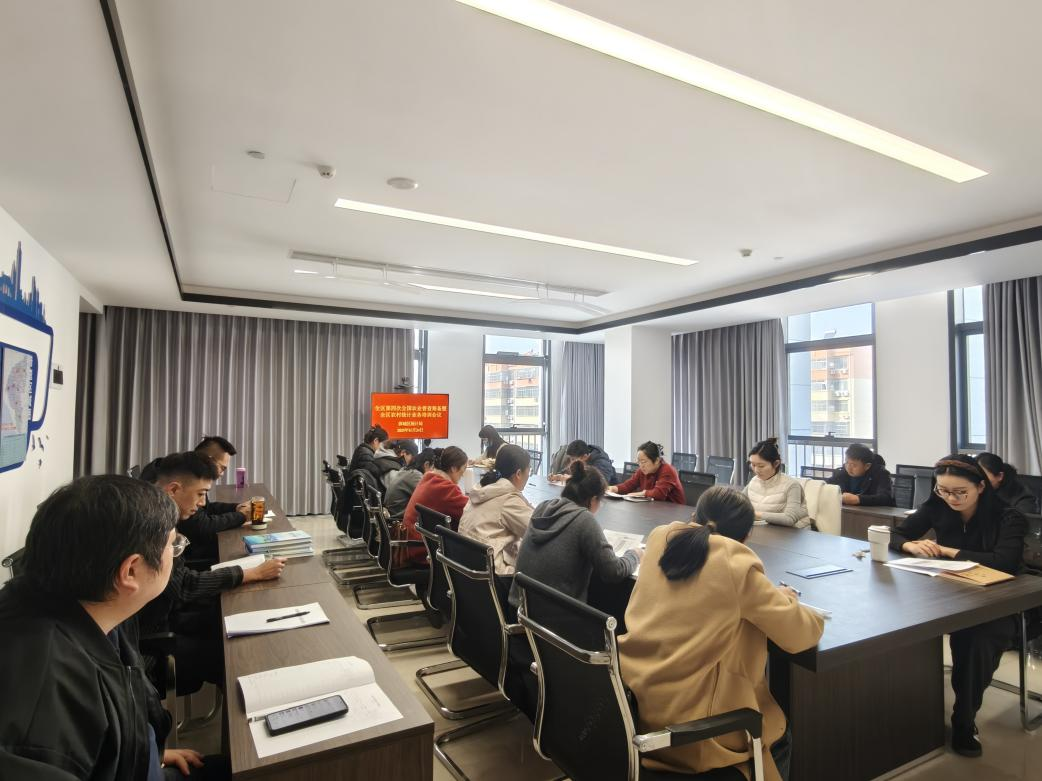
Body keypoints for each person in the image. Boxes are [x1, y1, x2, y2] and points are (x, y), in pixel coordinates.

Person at [0, 475, 230, 779]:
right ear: (130, 571)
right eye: (173, 546)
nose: (175, 554)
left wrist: (146, 752)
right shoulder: (39, 713)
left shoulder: (83, 609)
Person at [619, 487, 823, 781]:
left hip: (637, 706)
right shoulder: (735, 562)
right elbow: (800, 635)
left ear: (694, 516)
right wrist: (787, 599)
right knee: (780, 734)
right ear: (747, 535)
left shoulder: (660, 538)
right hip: (695, 731)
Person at [890, 455, 1028, 757]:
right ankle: (900, 708)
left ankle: (964, 719)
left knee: (976, 639)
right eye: (943, 490)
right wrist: (910, 544)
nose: (951, 498)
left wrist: (946, 550)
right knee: (898, 620)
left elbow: (1004, 562)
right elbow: (896, 533)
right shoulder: (937, 507)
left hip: (998, 601)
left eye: (959, 492)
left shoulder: (1008, 517)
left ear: (981, 487)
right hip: (948, 594)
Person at [143, 452, 285, 695]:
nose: (202, 504)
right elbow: (184, 586)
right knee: (241, 657)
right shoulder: (154, 525)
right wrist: (250, 574)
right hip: (156, 638)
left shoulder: (156, 511)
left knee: (234, 621)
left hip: (168, 616)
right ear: (173, 489)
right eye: (200, 494)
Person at [510, 461, 643, 606]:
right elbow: (614, 571)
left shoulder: (542, 508)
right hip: (553, 616)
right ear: (593, 499)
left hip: (518, 608)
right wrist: (634, 555)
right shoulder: (584, 520)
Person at [459, 445, 535, 576]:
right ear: (518, 474)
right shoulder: (509, 500)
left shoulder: (483, 489)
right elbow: (537, 532)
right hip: (495, 576)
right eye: (529, 469)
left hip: (467, 571)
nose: (529, 474)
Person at [401, 446, 470, 566]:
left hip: (412, 543)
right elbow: (471, 510)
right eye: (463, 469)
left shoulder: (429, 478)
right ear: (454, 468)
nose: (463, 475)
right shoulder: (445, 488)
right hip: (423, 550)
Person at [744, 438, 811, 528]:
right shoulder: (754, 481)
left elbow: (789, 519)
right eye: (753, 465)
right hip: (768, 529)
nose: (756, 470)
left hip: (795, 532)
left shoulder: (792, 485)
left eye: (761, 466)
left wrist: (754, 514)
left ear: (776, 464)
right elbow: (737, 503)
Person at [607, 441, 685, 504]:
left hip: (674, 511)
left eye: (643, 462)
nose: (641, 465)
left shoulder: (668, 470)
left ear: (657, 460)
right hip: (653, 509)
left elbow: (659, 494)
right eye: (639, 462)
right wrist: (614, 488)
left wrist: (642, 493)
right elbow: (629, 485)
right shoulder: (642, 470)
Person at [827, 443, 895, 506]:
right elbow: (826, 485)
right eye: (847, 462)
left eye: (853, 465)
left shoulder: (881, 474)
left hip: (874, 513)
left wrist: (858, 499)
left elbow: (885, 497)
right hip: (847, 511)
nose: (848, 468)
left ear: (867, 466)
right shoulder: (842, 472)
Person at [385, 447, 438, 520]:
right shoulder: (415, 475)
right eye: (433, 468)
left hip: (393, 515)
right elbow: (430, 499)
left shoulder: (405, 470)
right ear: (426, 464)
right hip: (398, 519)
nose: (433, 472)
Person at [548, 439, 618, 485]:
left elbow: (599, 483)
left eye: (573, 459)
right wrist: (557, 476)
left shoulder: (601, 462)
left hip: (608, 497)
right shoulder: (579, 459)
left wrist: (572, 479)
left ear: (584, 456)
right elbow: (567, 470)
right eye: (570, 459)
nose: (571, 462)